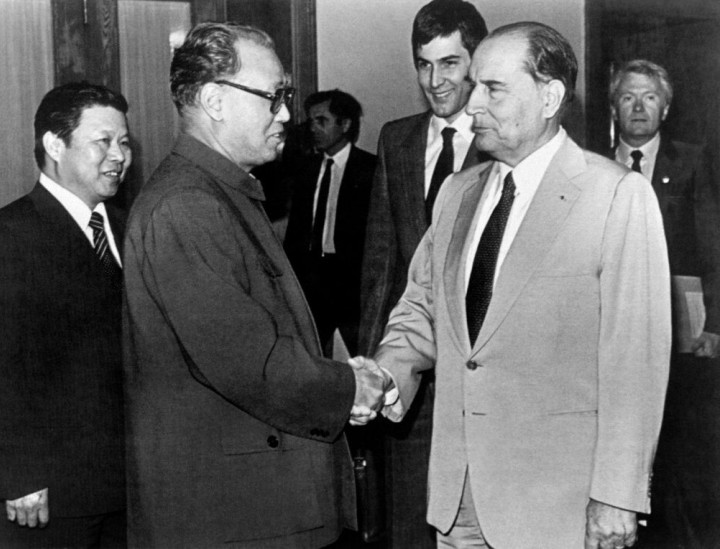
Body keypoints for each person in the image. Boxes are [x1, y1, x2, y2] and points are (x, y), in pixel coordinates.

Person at [352, 22, 672, 549]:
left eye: (492, 88)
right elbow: (423, 309)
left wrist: (618, 494)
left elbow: (635, 359)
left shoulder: (616, 196)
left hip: (558, 502)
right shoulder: (458, 192)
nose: (470, 103)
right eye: (473, 84)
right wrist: (385, 375)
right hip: (458, 497)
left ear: (549, 96)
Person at [121, 22, 385, 548]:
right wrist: (350, 385)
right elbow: (252, 363)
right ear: (215, 100)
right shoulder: (188, 207)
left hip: (252, 507)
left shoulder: (220, 193)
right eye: (273, 96)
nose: (286, 113)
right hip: (238, 517)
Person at [357, 1, 487, 546]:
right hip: (407, 382)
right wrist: (371, 369)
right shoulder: (397, 138)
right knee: (409, 521)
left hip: (476, 374)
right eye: (423, 65)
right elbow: (381, 262)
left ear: (478, 61)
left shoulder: (502, 143)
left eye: (450, 64)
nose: (435, 81)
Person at [0, 82, 131, 547]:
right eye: (103, 141)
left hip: (129, 489)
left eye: (124, 142)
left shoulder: (134, 227)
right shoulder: (3, 236)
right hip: (45, 498)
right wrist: (18, 475)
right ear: (54, 144)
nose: (119, 155)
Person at [610, 59, 720, 548]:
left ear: (666, 108)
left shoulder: (693, 162)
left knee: (678, 441)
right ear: (614, 106)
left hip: (681, 325)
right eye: (629, 97)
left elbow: (714, 246)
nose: (638, 107)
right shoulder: (589, 166)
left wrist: (714, 324)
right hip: (612, 325)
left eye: (649, 97)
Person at [284, 90, 376, 357]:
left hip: (351, 283)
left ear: (345, 125)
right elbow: (295, 231)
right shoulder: (306, 168)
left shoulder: (372, 169)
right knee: (307, 357)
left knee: (365, 356)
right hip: (311, 278)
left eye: (321, 121)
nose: (313, 128)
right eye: (310, 121)